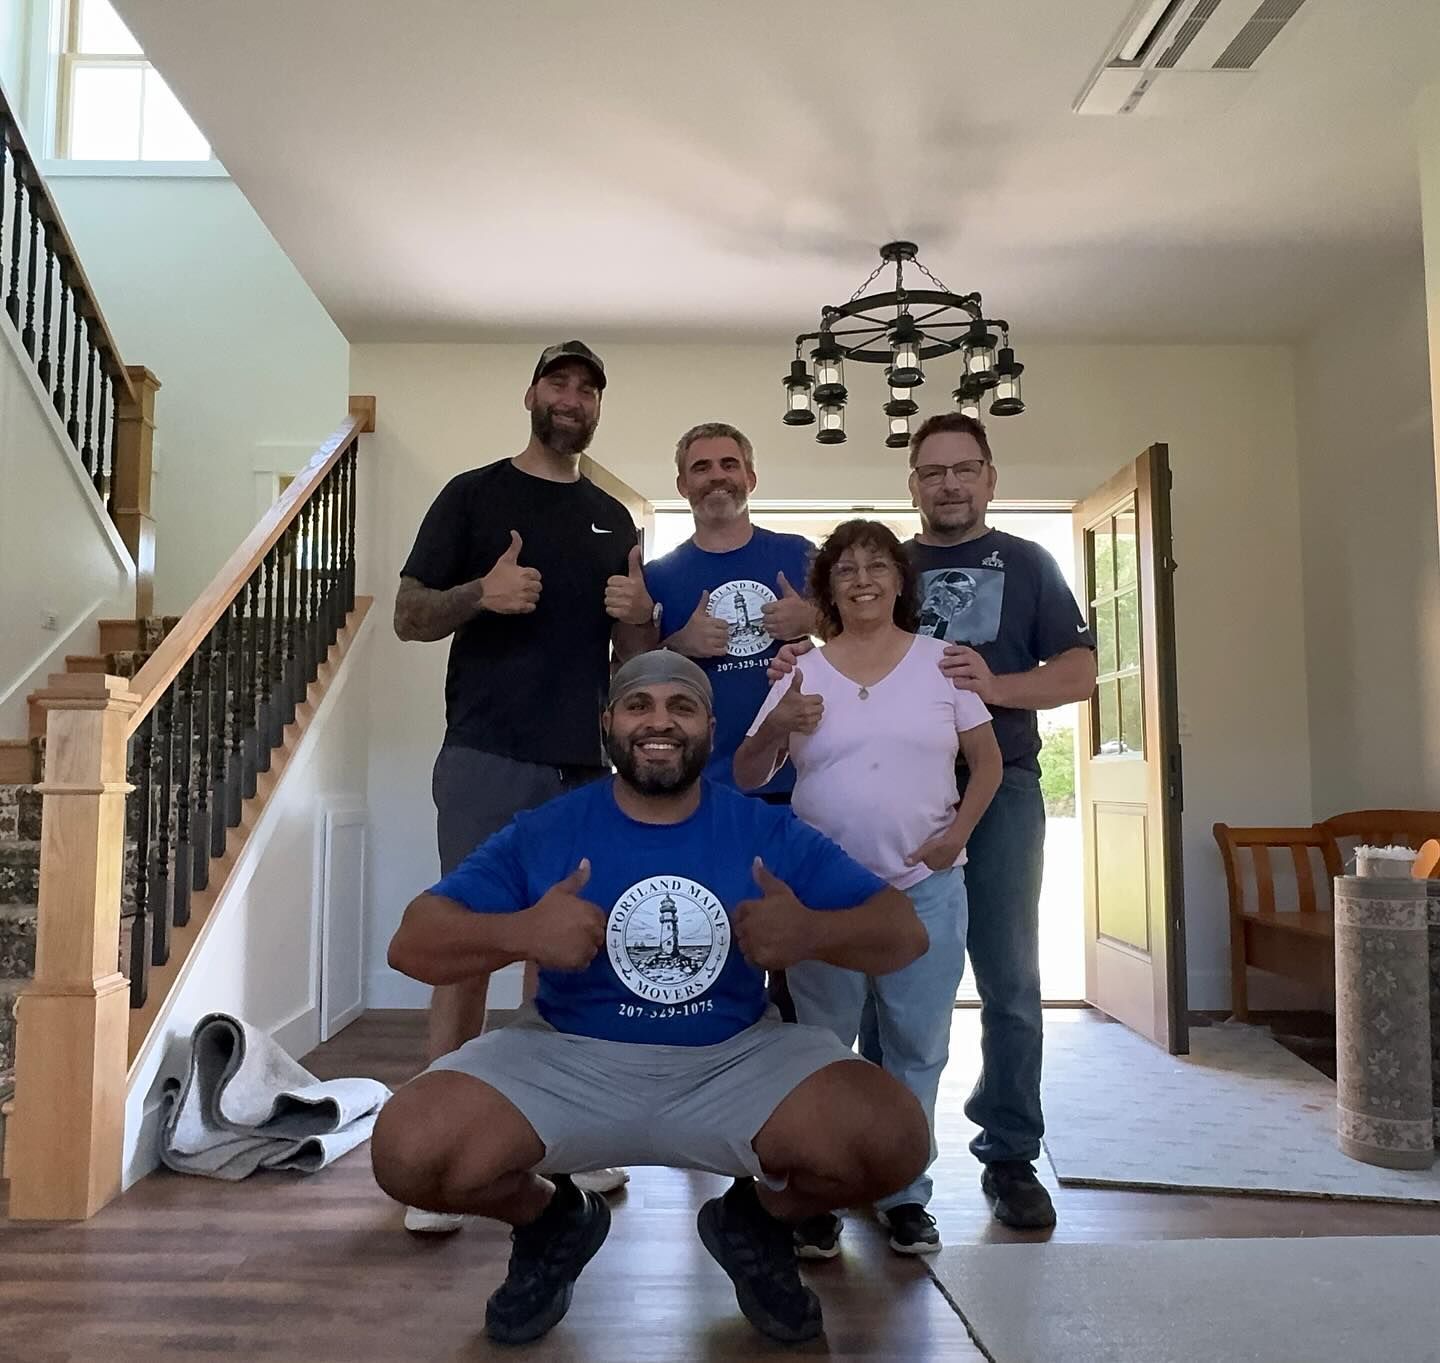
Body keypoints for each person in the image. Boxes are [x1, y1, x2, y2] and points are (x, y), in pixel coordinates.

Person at [370, 651, 931, 1347]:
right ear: (608, 723)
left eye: (681, 706)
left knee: (895, 1139)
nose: (658, 721)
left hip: (731, 1057)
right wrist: (523, 932)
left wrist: (811, 932)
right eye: (639, 705)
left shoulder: (761, 830)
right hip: (567, 1055)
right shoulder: (549, 828)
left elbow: (903, 933)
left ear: (709, 727)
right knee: (407, 1150)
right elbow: (412, 942)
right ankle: (551, 1222)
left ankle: (755, 1221)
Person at [769, 413, 1097, 1231]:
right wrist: (790, 656)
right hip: (889, 791)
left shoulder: (1028, 563)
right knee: (882, 992)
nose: (949, 483)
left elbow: (1083, 674)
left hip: (999, 786)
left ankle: (1011, 1151)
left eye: (965, 468)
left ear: (990, 478)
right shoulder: (888, 561)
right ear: (912, 485)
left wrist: (993, 685)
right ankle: (883, 1163)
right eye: (933, 471)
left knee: (1010, 979)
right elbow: (845, 658)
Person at [392, 341, 658, 1227]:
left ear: (596, 408)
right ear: (532, 394)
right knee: (466, 948)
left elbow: (627, 663)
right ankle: (435, 1157)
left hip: (581, 768)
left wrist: (639, 622)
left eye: (588, 388)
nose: (573, 397)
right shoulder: (473, 495)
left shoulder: (613, 517)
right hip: (484, 756)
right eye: (559, 381)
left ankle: (563, 1145)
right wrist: (481, 593)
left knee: (565, 957)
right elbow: (406, 615)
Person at [734, 521, 1001, 1257]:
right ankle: (819, 1192)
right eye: (846, 569)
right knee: (821, 1048)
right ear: (828, 588)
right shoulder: (801, 672)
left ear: (899, 580)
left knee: (918, 1047)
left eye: (877, 566)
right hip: (824, 901)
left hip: (926, 888)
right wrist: (778, 722)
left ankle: (903, 1193)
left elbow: (988, 766)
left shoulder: (941, 664)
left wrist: (957, 836)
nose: (862, 580)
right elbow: (747, 773)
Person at [645, 421, 819, 1020]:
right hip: (706, 789)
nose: (716, 476)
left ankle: (806, 1089)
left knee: (802, 956)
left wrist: (813, 615)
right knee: (720, 944)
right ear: (681, 484)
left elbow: (866, 633)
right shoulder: (661, 574)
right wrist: (679, 643)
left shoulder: (798, 555)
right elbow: (633, 677)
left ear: (750, 476)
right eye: (701, 467)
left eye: (727, 464)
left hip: (806, 781)